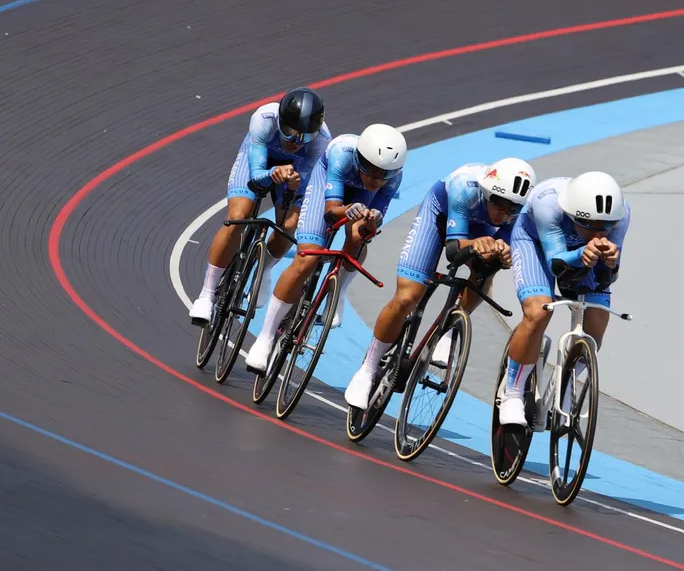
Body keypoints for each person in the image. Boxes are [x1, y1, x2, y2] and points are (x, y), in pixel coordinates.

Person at [344, 158, 536, 410]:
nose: (505, 213)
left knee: (487, 268)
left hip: (479, 227)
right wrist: (476, 244)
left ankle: (449, 329)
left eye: (513, 209)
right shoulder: (463, 187)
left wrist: (503, 253)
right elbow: (454, 250)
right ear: (487, 192)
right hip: (441, 217)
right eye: (499, 203)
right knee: (406, 297)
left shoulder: (518, 214)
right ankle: (368, 370)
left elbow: (508, 249)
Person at [244, 123, 408, 372]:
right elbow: (331, 212)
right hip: (328, 189)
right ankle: (265, 339)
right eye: (371, 172)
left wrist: (371, 221)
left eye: (383, 175)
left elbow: (373, 224)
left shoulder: (393, 176)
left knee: (358, 235)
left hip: (359, 200)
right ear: (359, 159)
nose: (376, 181)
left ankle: (338, 292)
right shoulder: (342, 154)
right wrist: (347, 210)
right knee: (307, 258)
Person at [189, 87, 331, 325]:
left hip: (292, 170)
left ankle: (263, 269)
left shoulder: (321, 142)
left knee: (289, 225)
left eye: (305, 136)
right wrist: (273, 172)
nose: (296, 141)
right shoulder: (264, 120)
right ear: (280, 121)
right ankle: (206, 294)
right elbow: (255, 176)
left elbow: (305, 182)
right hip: (258, 161)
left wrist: (293, 184)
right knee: (238, 216)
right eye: (289, 131)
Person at [499, 171, 631, 426]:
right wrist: (583, 252)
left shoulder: (622, 215)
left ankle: (568, 384)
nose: (598, 233)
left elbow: (607, 278)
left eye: (605, 227)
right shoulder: (548, 204)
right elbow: (556, 263)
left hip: (577, 252)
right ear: (571, 216)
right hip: (536, 243)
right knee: (538, 312)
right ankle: (512, 393)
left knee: (596, 324)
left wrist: (612, 262)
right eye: (588, 225)